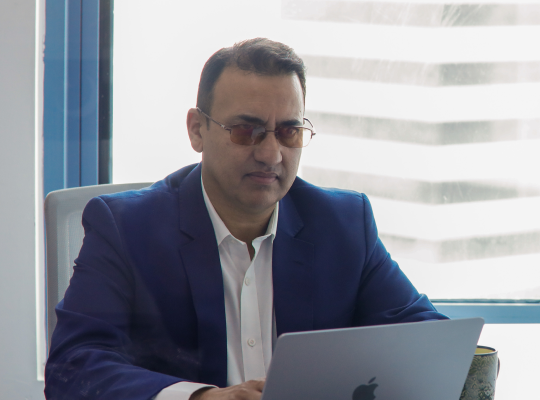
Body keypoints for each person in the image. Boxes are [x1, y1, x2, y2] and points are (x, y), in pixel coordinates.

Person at [44, 38, 447, 400]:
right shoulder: (126, 228)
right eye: (246, 131)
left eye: (288, 132)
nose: (271, 154)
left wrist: (472, 365)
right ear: (197, 130)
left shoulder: (342, 224)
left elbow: (427, 337)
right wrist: (199, 399)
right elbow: (72, 367)